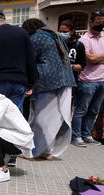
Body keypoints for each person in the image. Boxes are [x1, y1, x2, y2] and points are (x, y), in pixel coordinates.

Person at [21, 18, 75, 159]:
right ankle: (48, 151)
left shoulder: (36, 38)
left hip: (47, 82)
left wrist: (28, 83)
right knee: (55, 118)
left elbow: (29, 61)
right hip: (66, 80)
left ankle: (33, 151)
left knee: (41, 118)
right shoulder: (55, 35)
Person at [0, 12, 36, 113]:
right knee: (15, 116)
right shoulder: (22, 33)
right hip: (19, 81)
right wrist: (30, 83)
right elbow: (31, 59)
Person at [71, 9, 104, 147]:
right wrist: (96, 58)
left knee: (94, 111)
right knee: (81, 110)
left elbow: (95, 58)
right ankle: (76, 136)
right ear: (90, 22)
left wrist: (98, 58)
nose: (101, 24)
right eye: (98, 22)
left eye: (103, 22)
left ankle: (87, 134)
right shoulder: (84, 40)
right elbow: (90, 59)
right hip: (87, 81)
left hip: (102, 80)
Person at [58, 19, 86, 84]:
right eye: (60, 31)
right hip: (57, 81)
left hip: (71, 81)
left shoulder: (78, 45)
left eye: (65, 32)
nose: (62, 34)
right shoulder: (56, 44)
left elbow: (82, 65)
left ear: (72, 31)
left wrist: (70, 67)